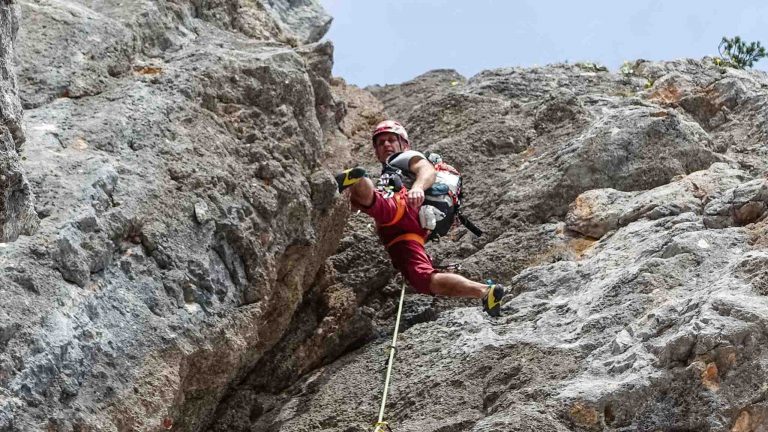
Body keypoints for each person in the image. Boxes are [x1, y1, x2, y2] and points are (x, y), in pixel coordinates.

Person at [335, 120, 505, 317]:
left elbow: (426, 170)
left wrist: (417, 189)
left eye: (391, 140)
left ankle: (358, 179)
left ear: (404, 143)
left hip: (406, 209)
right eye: (380, 143)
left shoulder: (404, 156)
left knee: (382, 205)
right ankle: (485, 291)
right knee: (421, 277)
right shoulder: (392, 167)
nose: (386, 145)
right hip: (410, 231)